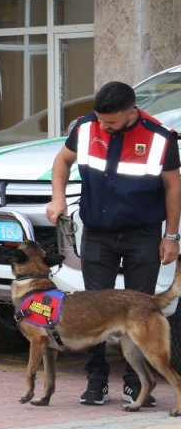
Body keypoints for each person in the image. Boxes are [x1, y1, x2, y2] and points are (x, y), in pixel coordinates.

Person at [46, 80, 181, 406]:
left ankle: (137, 386)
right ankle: (96, 382)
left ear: (131, 111)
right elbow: (62, 161)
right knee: (92, 310)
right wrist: (58, 197)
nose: (104, 127)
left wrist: (171, 236)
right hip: (97, 233)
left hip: (142, 235)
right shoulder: (86, 127)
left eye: (112, 122)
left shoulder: (160, 137)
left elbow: (173, 187)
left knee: (140, 312)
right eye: (101, 120)